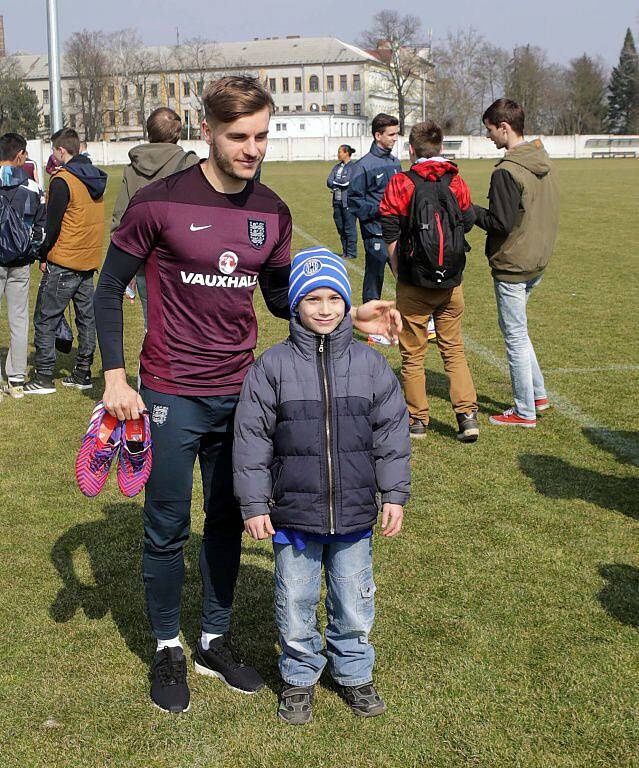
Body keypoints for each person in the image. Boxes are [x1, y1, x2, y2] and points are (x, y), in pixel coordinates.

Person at [93, 75, 402, 714]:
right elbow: (105, 290)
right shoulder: (158, 203)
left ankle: (212, 638)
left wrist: (351, 316)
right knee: (167, 524)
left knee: (230, 518)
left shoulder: (272, 212)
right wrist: (116, 376)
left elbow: (281, 296)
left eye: (262, 135)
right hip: (171, 392)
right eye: (239, 136)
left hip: (246, 395)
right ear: (207, 130)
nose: (252, 147)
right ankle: (165, 646)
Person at [233, 247, 410, 724]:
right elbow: (251, 440)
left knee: (353, 598)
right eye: (313, 299)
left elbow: (392, 434)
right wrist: (253, 504)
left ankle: (353, 672)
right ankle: (298, 675)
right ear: (295, 305)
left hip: (353, 511)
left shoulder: (371, 367)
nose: (325, 309)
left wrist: (393, 494)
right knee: (295, 598)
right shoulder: (272, 367)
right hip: (293, 513)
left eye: (334, 297)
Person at [380, 120, 479, 442]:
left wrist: (398, 270)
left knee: (413, 355)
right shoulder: (455, 180)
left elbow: (390, 228)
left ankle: (417, 420)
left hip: (414, 282)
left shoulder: (401, 182)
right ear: (440, 148)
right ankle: (467, 416)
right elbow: (466, 221)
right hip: (452, 283)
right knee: (454, 350)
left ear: (411, 149)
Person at [473, 99, 559, 428]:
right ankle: (537, 395)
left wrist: (469, 211)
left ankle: (524, 411)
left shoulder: (507, 171)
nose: (489, 136)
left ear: (504, 127)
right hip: (538, 259)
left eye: (490, 130)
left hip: (514, 264)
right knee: (520, 332)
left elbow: (500, 223)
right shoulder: (542, 159)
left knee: (515, 336)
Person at [24, 128, 107, 395]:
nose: (52, 155)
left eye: (53, 150)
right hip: (88, 258)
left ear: (61, 151)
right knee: (86, 318)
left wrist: (43, 253)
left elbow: (53, 224)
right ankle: (83, 371)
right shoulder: (94, 176)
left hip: (65, 259)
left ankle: (44, 376)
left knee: (46, 318)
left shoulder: (63, 180)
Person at [111, 108, 200, 327]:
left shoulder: (133, 169)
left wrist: (123, 267)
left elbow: (121, 218)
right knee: (188, 327)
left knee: (153, 327)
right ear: (177, 133)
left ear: (149, 131)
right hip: (184, 262)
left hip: (145, 260)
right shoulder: (191, 164)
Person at [348, 113, 401, 344]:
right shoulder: (363, 166)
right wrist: (381, 209)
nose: (395, 138)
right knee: (374, 276)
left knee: (405, 277)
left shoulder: (395, 163)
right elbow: (354, 202)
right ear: (378, 135)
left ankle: (410, 322)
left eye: (396, 134)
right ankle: (372, 328)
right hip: (376, 233)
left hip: (398, 232)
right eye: (391, 134)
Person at [0, 133, 46, 399]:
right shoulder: (33, 188)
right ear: (19, 155)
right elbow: (41, 228)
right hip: (20, 260)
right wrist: (33, 252)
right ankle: (17, 375)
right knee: (19, 318)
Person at [326, 144, 357, 260]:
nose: (338, 154)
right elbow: (328, 181)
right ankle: (345, 251)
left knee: (349, 228)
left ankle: (352, 253)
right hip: (337, 202)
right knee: (340, 227)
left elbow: (346, 183)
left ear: (346, 153)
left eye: (340, 152)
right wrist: (336, 183)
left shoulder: (353, 167)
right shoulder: (336, 167)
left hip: (348, 202)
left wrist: (335, 183)